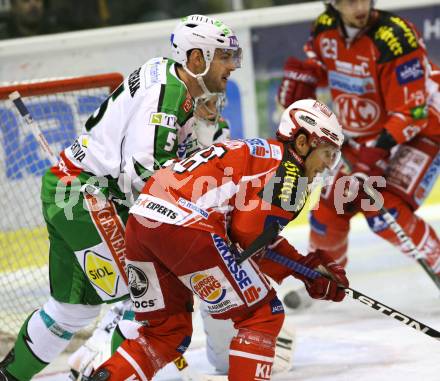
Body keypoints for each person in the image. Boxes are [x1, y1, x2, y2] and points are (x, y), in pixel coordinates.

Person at [0, 14, 241, 381]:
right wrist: (192, 215)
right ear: (196, 59)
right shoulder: (170, 94)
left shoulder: (167, 75)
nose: (232, 65)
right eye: (223, 56)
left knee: (70, 312)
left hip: (70, 189)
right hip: (88, 197)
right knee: (145, 298)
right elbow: (141, 169)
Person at [89, 99, 350, 381]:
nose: (327, 165)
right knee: (263, 313)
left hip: (143, 222)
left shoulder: (261, 152)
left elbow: (250, 237)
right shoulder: (289, 176)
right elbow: (247, 237)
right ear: (301, 143)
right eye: (326, 153)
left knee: (164, 335)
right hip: (184, 226)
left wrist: (305, 267)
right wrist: (305, 269)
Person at [277, 0, 440, 308]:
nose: (360, 6)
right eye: (349, 1)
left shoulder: (395, 38)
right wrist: (304, 80)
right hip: (365, 137)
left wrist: (371, 157)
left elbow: (413, 111)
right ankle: (323, 279)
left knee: (383, 209)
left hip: (421, 131)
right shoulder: (324, 28)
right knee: (328, 214)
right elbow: (321, 68)